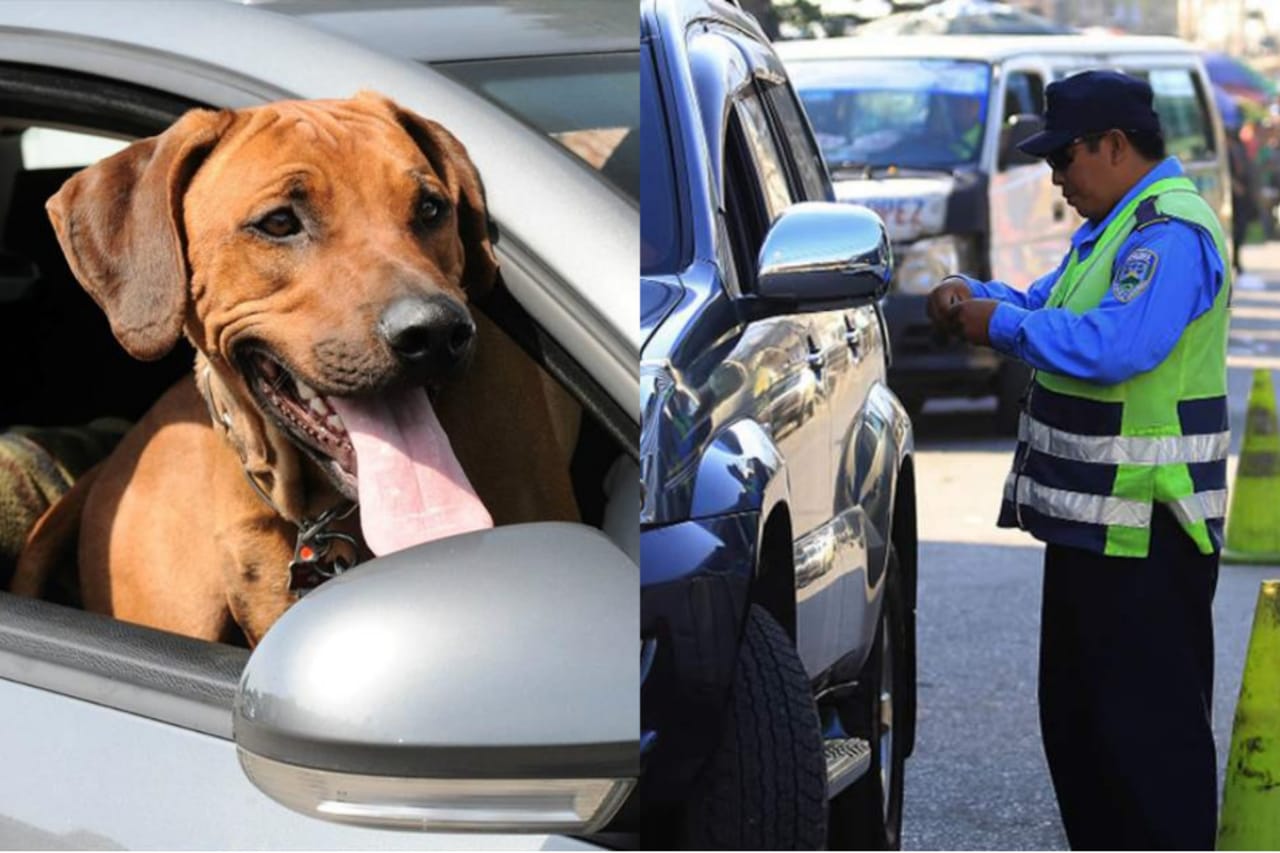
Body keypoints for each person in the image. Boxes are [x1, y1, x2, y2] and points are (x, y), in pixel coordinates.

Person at [926, 70, 1227, 850]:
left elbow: (1117, 346)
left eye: (1065, 159)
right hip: (1096, 530)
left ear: (1115, 145)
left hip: (1147, 533)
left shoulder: (1169, 233)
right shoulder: (1115, 230)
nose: (1057, 179)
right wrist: (972, 293)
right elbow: (1047, 306)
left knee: (1147, 752)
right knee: (1084, 736)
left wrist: (998, 327)